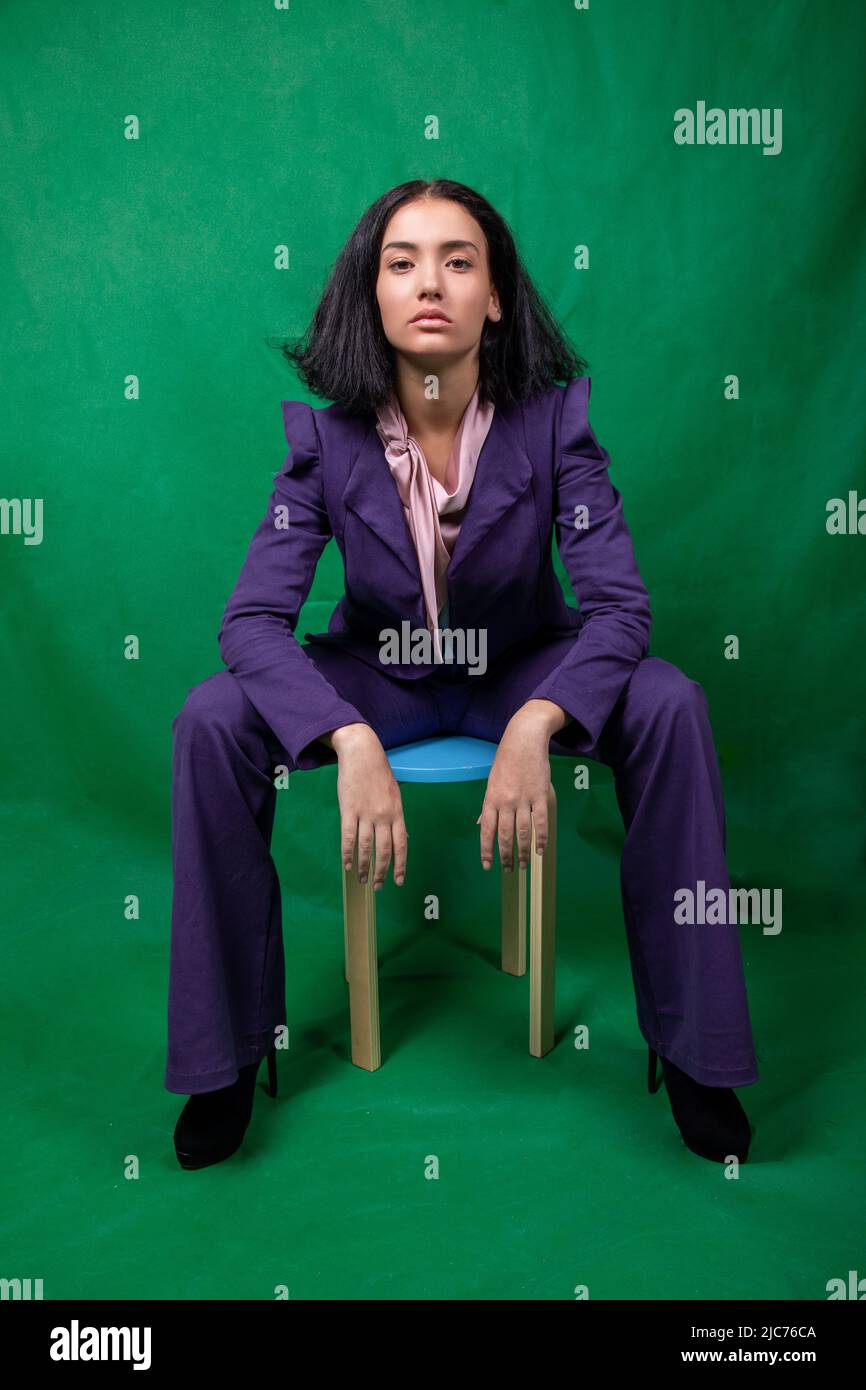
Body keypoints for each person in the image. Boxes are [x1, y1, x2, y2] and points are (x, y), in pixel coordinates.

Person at [166, 178, 758, 1171]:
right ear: (371, 295)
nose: (427, 282)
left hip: (518, 668)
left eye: (457, 259)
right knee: (211, 717)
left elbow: (618, 608)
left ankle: (694, 1048)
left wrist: (537, 721)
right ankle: (225, 1055)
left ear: (495, 295)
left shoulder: (555, 424)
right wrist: (345, 735)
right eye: (400, 262)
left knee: (668, 702)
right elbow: (252, 620)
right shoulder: (321, 442)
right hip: (380, 677)